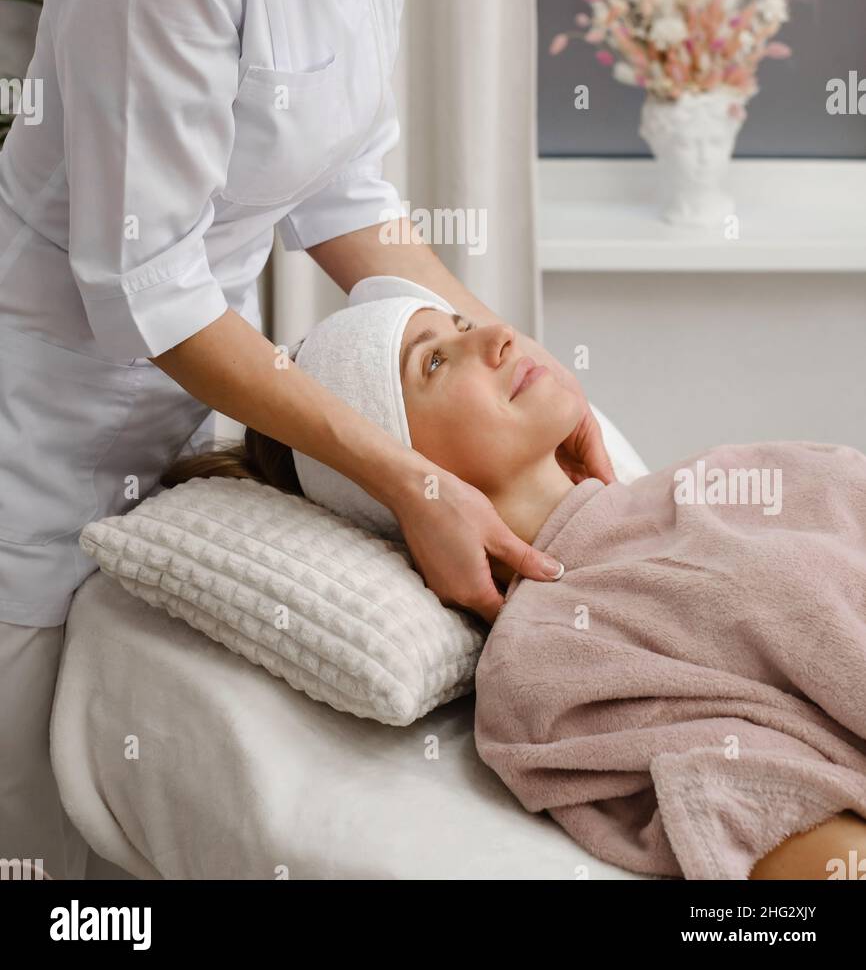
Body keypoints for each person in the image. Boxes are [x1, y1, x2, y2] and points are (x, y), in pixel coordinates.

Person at [0, 0, 614, 877]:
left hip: (167, 418)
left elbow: (344, 196)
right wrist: (407, 475)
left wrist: (523, 366)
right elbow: (153, 288)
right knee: (38, 816)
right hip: (34, 431)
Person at [162, 274, 866, 881]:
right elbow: (761, 806)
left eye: (465, 323)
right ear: (401, 481)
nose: (498, 337)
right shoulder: (547, 662)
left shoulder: (733, 473)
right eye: (434, 364)